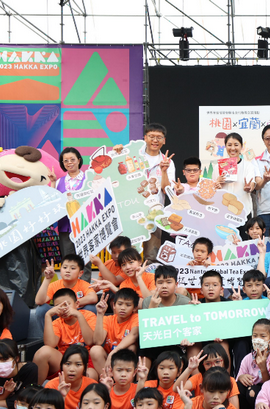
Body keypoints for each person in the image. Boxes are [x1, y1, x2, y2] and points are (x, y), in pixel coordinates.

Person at [114, 123, 176, 261]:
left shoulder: (168, 162)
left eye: (159, 137)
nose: (155, 140)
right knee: (127, 253)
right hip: (131, 209)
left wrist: (164, 171)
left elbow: (166, 190)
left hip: (154, 212)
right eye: (152, 136)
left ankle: (148, 275)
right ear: (145, 138)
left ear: (164, 140)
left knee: (152, 255)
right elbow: (116, 173)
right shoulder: (132, 155)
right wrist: (117, 153)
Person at [33, 288, 97, 384]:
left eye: (67, 304)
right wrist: (48, 315)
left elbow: (90, 341)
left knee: (90, 375)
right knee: (43, 352)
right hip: (64, 358)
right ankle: (35, 388)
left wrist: (79, 315)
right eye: (58, 306)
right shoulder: (57, 322)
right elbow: (50, 344)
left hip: (85, 358)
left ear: (77, 304)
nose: (63, 308)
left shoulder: (88, 316)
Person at [53, 147, 92, 281]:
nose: (69, 163)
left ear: (79, 160)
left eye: (72, 159)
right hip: (65, 227)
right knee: (68, 261)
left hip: (85, 226)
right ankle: (69, 289)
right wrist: (52, 183)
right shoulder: (59, 181)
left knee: (85, 259)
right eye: (65, 161)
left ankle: (85, 288)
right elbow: (53, 202)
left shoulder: (89, 179)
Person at [35, 254, 97, 332]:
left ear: (80, 273)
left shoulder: (83, 284)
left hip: (77, 315)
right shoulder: (54, 285)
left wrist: (71, 305)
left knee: (91, 308)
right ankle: (49, 337)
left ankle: (86, 337)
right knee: (41, 309)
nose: (68, 270)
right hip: (59, 314)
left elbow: (93, 298)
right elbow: (39, 301)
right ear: (60, 271)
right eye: (65, 267)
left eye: (72, 268)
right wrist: (47, 279)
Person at [90, 288, 139, 375]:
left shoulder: (136, 317)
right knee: (95, 350)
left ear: (135, 308)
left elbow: (134, 335)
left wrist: (113, 352)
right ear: (114, 305)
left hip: (123, 354)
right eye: (120, 304)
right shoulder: (107, 319)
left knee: (131, 348)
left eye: (128, 305)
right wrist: (100, 314)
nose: (123, 308)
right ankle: (107, 378)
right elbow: (98, 341)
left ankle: (126, 379)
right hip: (108, 356)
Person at [176, 343, 239, 409]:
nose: (216, 397)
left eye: (221, 392)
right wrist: (189, 369)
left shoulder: (230, 381)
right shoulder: (191, 404)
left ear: (228, 391)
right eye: (211, 391)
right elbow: (178, 388)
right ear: (201, 388)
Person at [214, 133, 257, 227]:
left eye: (236, 145)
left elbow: (252, 184)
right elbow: (213, 190)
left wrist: (249, 188)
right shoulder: (218, 167)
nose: (232, 148)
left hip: (243, 211)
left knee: (244, 236)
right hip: (223, 213)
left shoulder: (248, 166)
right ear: (225, 146)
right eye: (229, 145)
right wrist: (217, 184)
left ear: (241, 146)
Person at [235, 319, 270, 409]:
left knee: (253, 391)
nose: (258, 340)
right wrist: (241, 377)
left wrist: (263, 368)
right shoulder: (248, 358)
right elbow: (238, 379)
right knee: (239, 386)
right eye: (255, 336)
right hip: (249, 393)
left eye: (263, 336)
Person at [0, 339, 38, 408]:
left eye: (4, 359)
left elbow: (23, 402)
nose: (0, 364)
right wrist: (6, 394)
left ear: (16, 358)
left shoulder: (29, 370)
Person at [91, 248, 155, 301]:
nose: (128, 267)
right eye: (123, 265)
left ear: (140, 262)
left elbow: (150, 303)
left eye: (131, 262)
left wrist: (139, 278)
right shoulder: (124, 284)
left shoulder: (152, 277)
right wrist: (110, 285)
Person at [44, 345, 97, 409]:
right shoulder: (51, 386)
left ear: (85, 367)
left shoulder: (92, 386)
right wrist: (61, 397)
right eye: (68, 364)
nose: (72, 369)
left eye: (78, 364)